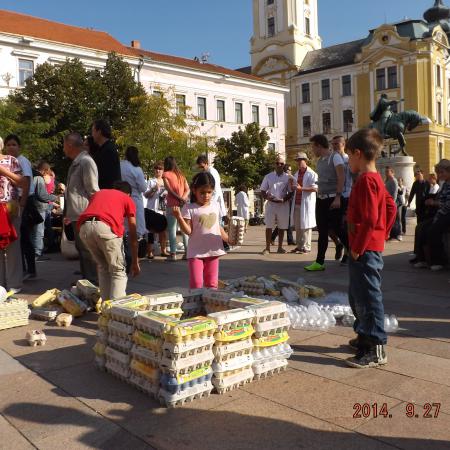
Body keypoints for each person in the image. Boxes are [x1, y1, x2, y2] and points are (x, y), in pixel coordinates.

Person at [345, 128, 397, 368]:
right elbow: (390, 208)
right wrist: (383, 234)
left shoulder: (366, 180)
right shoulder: (376, 179)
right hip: (368, 245)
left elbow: (369, 219)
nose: (348, 162)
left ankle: (376, 346)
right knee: (357, 294)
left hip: (363, 248)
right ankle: (364, 334)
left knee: (368, 296)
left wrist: (359, 246)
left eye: (348, 157)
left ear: (358, 153)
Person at [78, 181, 140, 301]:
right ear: (128, 194)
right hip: (105, 228)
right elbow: (133, 232)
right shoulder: (126, 198)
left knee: (103, 267)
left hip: (84, 228)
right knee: (118, 271)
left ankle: (106, 310)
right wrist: (135, 261)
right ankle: (116, 311)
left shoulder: (99, 193)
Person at [172, 172, 228, 289]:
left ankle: (209, 305)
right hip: (196, 253)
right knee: (196, 284)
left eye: (209, 192)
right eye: (202, 192)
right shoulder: (189, 207)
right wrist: (179, 218)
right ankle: (195, 305)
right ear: (194, 190)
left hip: (213, 252)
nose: (206, 195)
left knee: (212, 284)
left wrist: (229, 239)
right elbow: (188, 231)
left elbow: (218, 226)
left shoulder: (215, 205)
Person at [305, 134, 346, 271]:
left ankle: (357, 255)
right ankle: (319, 262)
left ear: (318, 145)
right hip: (321, 199)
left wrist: (338, 197)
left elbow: (341, 177)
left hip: (333, 198)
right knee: (322, 231)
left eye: (313, 147)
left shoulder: (335, 157)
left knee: (339, 229)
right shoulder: (320, 161)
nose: (312, 150)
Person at [64, 132, 99, 282]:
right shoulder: (78, 161)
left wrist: (93, 213)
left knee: (87, 250)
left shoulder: (86, 161)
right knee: (82, 249)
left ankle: (93, 282)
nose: (63, 148)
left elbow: (93, 190)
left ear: (70, 145)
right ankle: (86, 281)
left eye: (64, 145)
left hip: (84, 213)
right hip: (76, 213)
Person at [4, 134, 36, 280]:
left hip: (24, 201)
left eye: (14, 144)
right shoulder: (9, 161)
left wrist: (22, 203)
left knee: (22, 238)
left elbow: (26, 182)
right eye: (8, 144)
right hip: (13, 203)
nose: (11, 147)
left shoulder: (22, 161)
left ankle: (30, 269)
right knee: (17, 238)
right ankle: (22, 270)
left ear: (19, 147)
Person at [412, 159, 450, 271]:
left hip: (446, 214)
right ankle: (422, 259)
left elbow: (448, 204)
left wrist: (434, 203)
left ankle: (438, 261)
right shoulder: (445, 183)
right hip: (442, 213)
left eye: (441, 172)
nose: (439, 175)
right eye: (438, 172)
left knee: (433, 230)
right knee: (420, 227)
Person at [0, 140, 24, 293]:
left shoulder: (11, 160)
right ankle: (1, 286)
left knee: (13, 246)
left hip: (9, 207)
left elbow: (22, 182)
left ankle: (14, 285)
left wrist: (4, 172)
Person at [260, 155, 292, 255]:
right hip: (271, 204)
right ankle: (267, 248)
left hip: (283, 204)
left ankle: (280, 247)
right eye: (277, 163)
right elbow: (263, 190)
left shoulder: (288, 178)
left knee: (282, 227)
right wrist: (267, 198)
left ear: (284, 165)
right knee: (269, 226)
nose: (279, 165)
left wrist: (283, 199)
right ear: (274, 164)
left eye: (281, 164)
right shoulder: (268, 176)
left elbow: (291, 192)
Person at [289, 152, 317, 254]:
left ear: (305, 161)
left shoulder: (312, 173)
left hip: (306, 203)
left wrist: (302, 188)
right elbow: (295, 188)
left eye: (300, 160)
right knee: (298, 226)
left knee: (306, 225)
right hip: (297, 203)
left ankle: (307, 246)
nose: (299, 162)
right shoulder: (296, 174)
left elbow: (316, 188)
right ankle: (299, 246)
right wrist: (292, 186)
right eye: (297, 160)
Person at [163, 156, 190, 261]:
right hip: (183, 205)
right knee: (184, 229)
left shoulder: (166, 174)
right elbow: (188, 189)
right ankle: (188, 253)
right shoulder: (181, 175)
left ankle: (173, 254)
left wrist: (178, 198)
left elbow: (169, 190)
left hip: (172, 204)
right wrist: (182, 198)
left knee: (172, 229)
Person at [331, 135, 352, 264]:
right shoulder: (332, 158)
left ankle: (347, 252)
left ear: (343, 144)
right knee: (330, 226)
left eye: (336, 144)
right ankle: (338, 243)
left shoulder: (348, 159)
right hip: (334, 195)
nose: (334, 146)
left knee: (344, 226)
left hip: (347, 195)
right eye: (332, 144)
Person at [31, 162, 58, 264]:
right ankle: (37, 254)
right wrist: (55, 197)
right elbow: (42, 195)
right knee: (39, 232)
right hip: (40, 207)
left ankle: (35, 253)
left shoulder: (33, 176)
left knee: (35, 232)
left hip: (35, 207)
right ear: (45, 170)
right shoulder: (39, 178)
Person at [120, 146, 147, 240]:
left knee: (124, 226)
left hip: (121, 199)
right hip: (135, 199)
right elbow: (143, 188)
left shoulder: (120, 165)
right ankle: (135, 252)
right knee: (136, 228)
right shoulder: (137, 169)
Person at [144, 161, 168, 259]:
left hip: (162, 209)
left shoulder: (166, 182)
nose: (158, 170)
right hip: (152, 209)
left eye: (160, 169)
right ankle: (150, 252)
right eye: (156, 169)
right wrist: (154, 189)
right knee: (151, 231)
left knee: (163, 230)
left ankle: (164, 250)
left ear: (163, 171)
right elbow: (146, 195)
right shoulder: (151, 181)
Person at [91, 120, 121, 189]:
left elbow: (108, 176)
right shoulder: (102, 149)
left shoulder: (109, 150)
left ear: (99, 132)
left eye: (93, 131)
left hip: (107, 192)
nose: (92, 134)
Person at [271, 164, 295, 246]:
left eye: (291, 170)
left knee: (286, 221)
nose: (290, 171)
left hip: (291, 200)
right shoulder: (284, 179)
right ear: (285, 170)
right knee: (285, 221)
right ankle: (289, 240)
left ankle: (273, 237)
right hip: (284, 201)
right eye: (288, 170)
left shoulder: (291, 178)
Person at [384, 167, 402, 241]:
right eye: (386, 172)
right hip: (388, 202)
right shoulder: (387, 180)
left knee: (397, 219)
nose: (386, 173)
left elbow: (395, 193)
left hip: (394, 202)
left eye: (388, 172)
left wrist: (393, 203)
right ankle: (392, 235)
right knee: (392, 219)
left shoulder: (394, 181)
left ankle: (398, 234)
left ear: (392, 172)